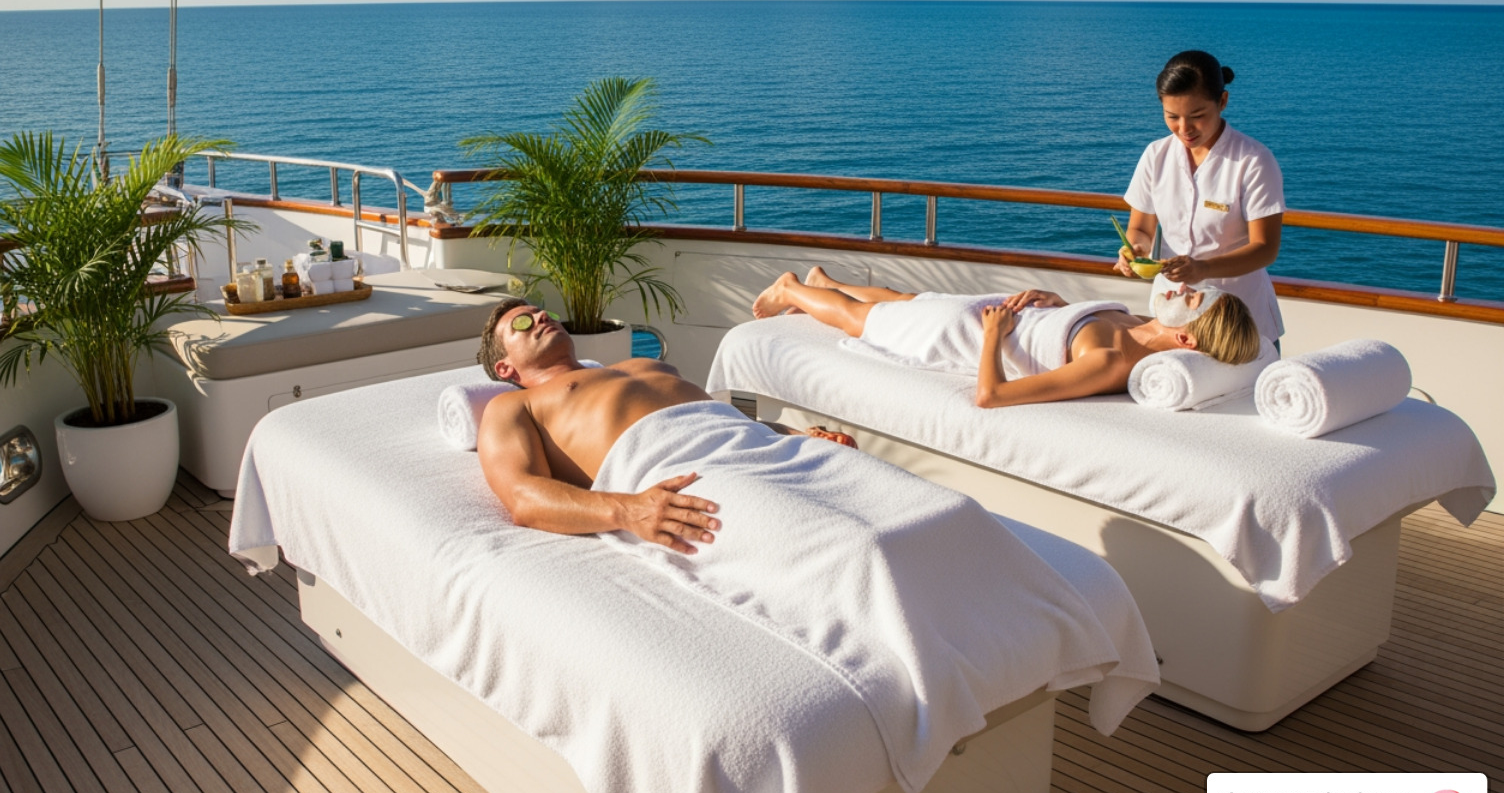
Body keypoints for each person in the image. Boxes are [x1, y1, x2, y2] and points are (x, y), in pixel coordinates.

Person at [475, 298, 853, 554]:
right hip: (692, 471)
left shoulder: (638, 366)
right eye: (522, 323)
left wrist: (798, 434)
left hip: (762, 445)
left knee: (902, 504)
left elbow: (719, 414)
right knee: (847, 542)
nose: (541, 318)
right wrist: (627, 511)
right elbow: (524, 497)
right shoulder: (511, 406)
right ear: (504, 368)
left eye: (544, 313)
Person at [750, 266, 1260, 408]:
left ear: (1189, 342)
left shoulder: (1111, 360)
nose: (1183, 292)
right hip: (994, 311)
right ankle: (826, 280)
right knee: (904, 299)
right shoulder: (1135, 323)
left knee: (857, 319)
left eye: (1192, 302)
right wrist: (1057, 303)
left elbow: (990, 396)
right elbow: (1067, 332)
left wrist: (993, 335)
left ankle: (793, 289)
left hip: (971, 332)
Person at [1116, 50, 1286, 344]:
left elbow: (1265, 248)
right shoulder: (1156, 155)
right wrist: (1137, 251)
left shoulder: (1253, 160)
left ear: (1222, 102)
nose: (1184, 129)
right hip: (1171, 318)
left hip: (1238, 323)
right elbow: (1141, 228)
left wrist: (1203, 268)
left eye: (1197, 116)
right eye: (1172, 117)